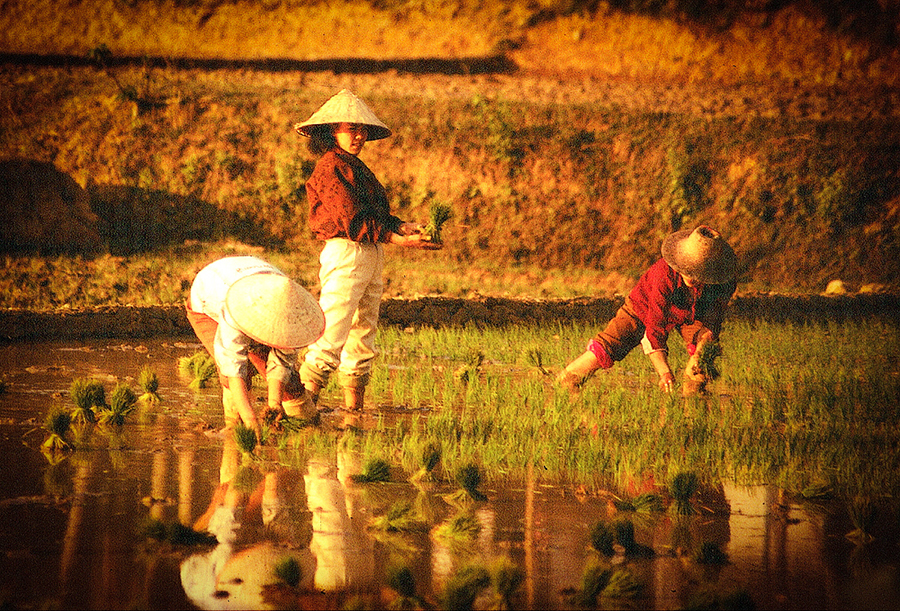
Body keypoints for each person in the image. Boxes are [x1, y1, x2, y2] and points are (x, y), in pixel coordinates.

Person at [293, 88, 441, 417]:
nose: (358, 136)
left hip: (370, 251)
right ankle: (300, 411)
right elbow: (351, 219)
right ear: (332, 131)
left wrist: (402, 227)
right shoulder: (330, 168)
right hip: (347, 251)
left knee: (363, 331)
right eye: (351, 129)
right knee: (332, 329)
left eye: (362, 130)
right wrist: (396, 238)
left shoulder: (355, 167)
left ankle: (353, 413)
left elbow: (374, 215)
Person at [557, 225, 738, 396]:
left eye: (699, 271)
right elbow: (654, 329)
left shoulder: (723, 283)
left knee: (706, 346)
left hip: (692, 313)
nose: (692, 277)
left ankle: (693, 393)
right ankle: (568, 380)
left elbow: (713, 321)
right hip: (642, 307)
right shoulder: (663, 274)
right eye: (688, 268)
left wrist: (702, 346)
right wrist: (664, 373)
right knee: (610, 344)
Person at [186, 255, 325, 438]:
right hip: (208, 298)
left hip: (251, 278)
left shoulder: (289, 307)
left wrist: (274, 405)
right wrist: (250, 419)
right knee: (238, 375)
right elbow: (233, 368)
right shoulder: (235, 310)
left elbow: (281, 361)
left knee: (290, 384)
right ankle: (236, 428)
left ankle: (308, 424)